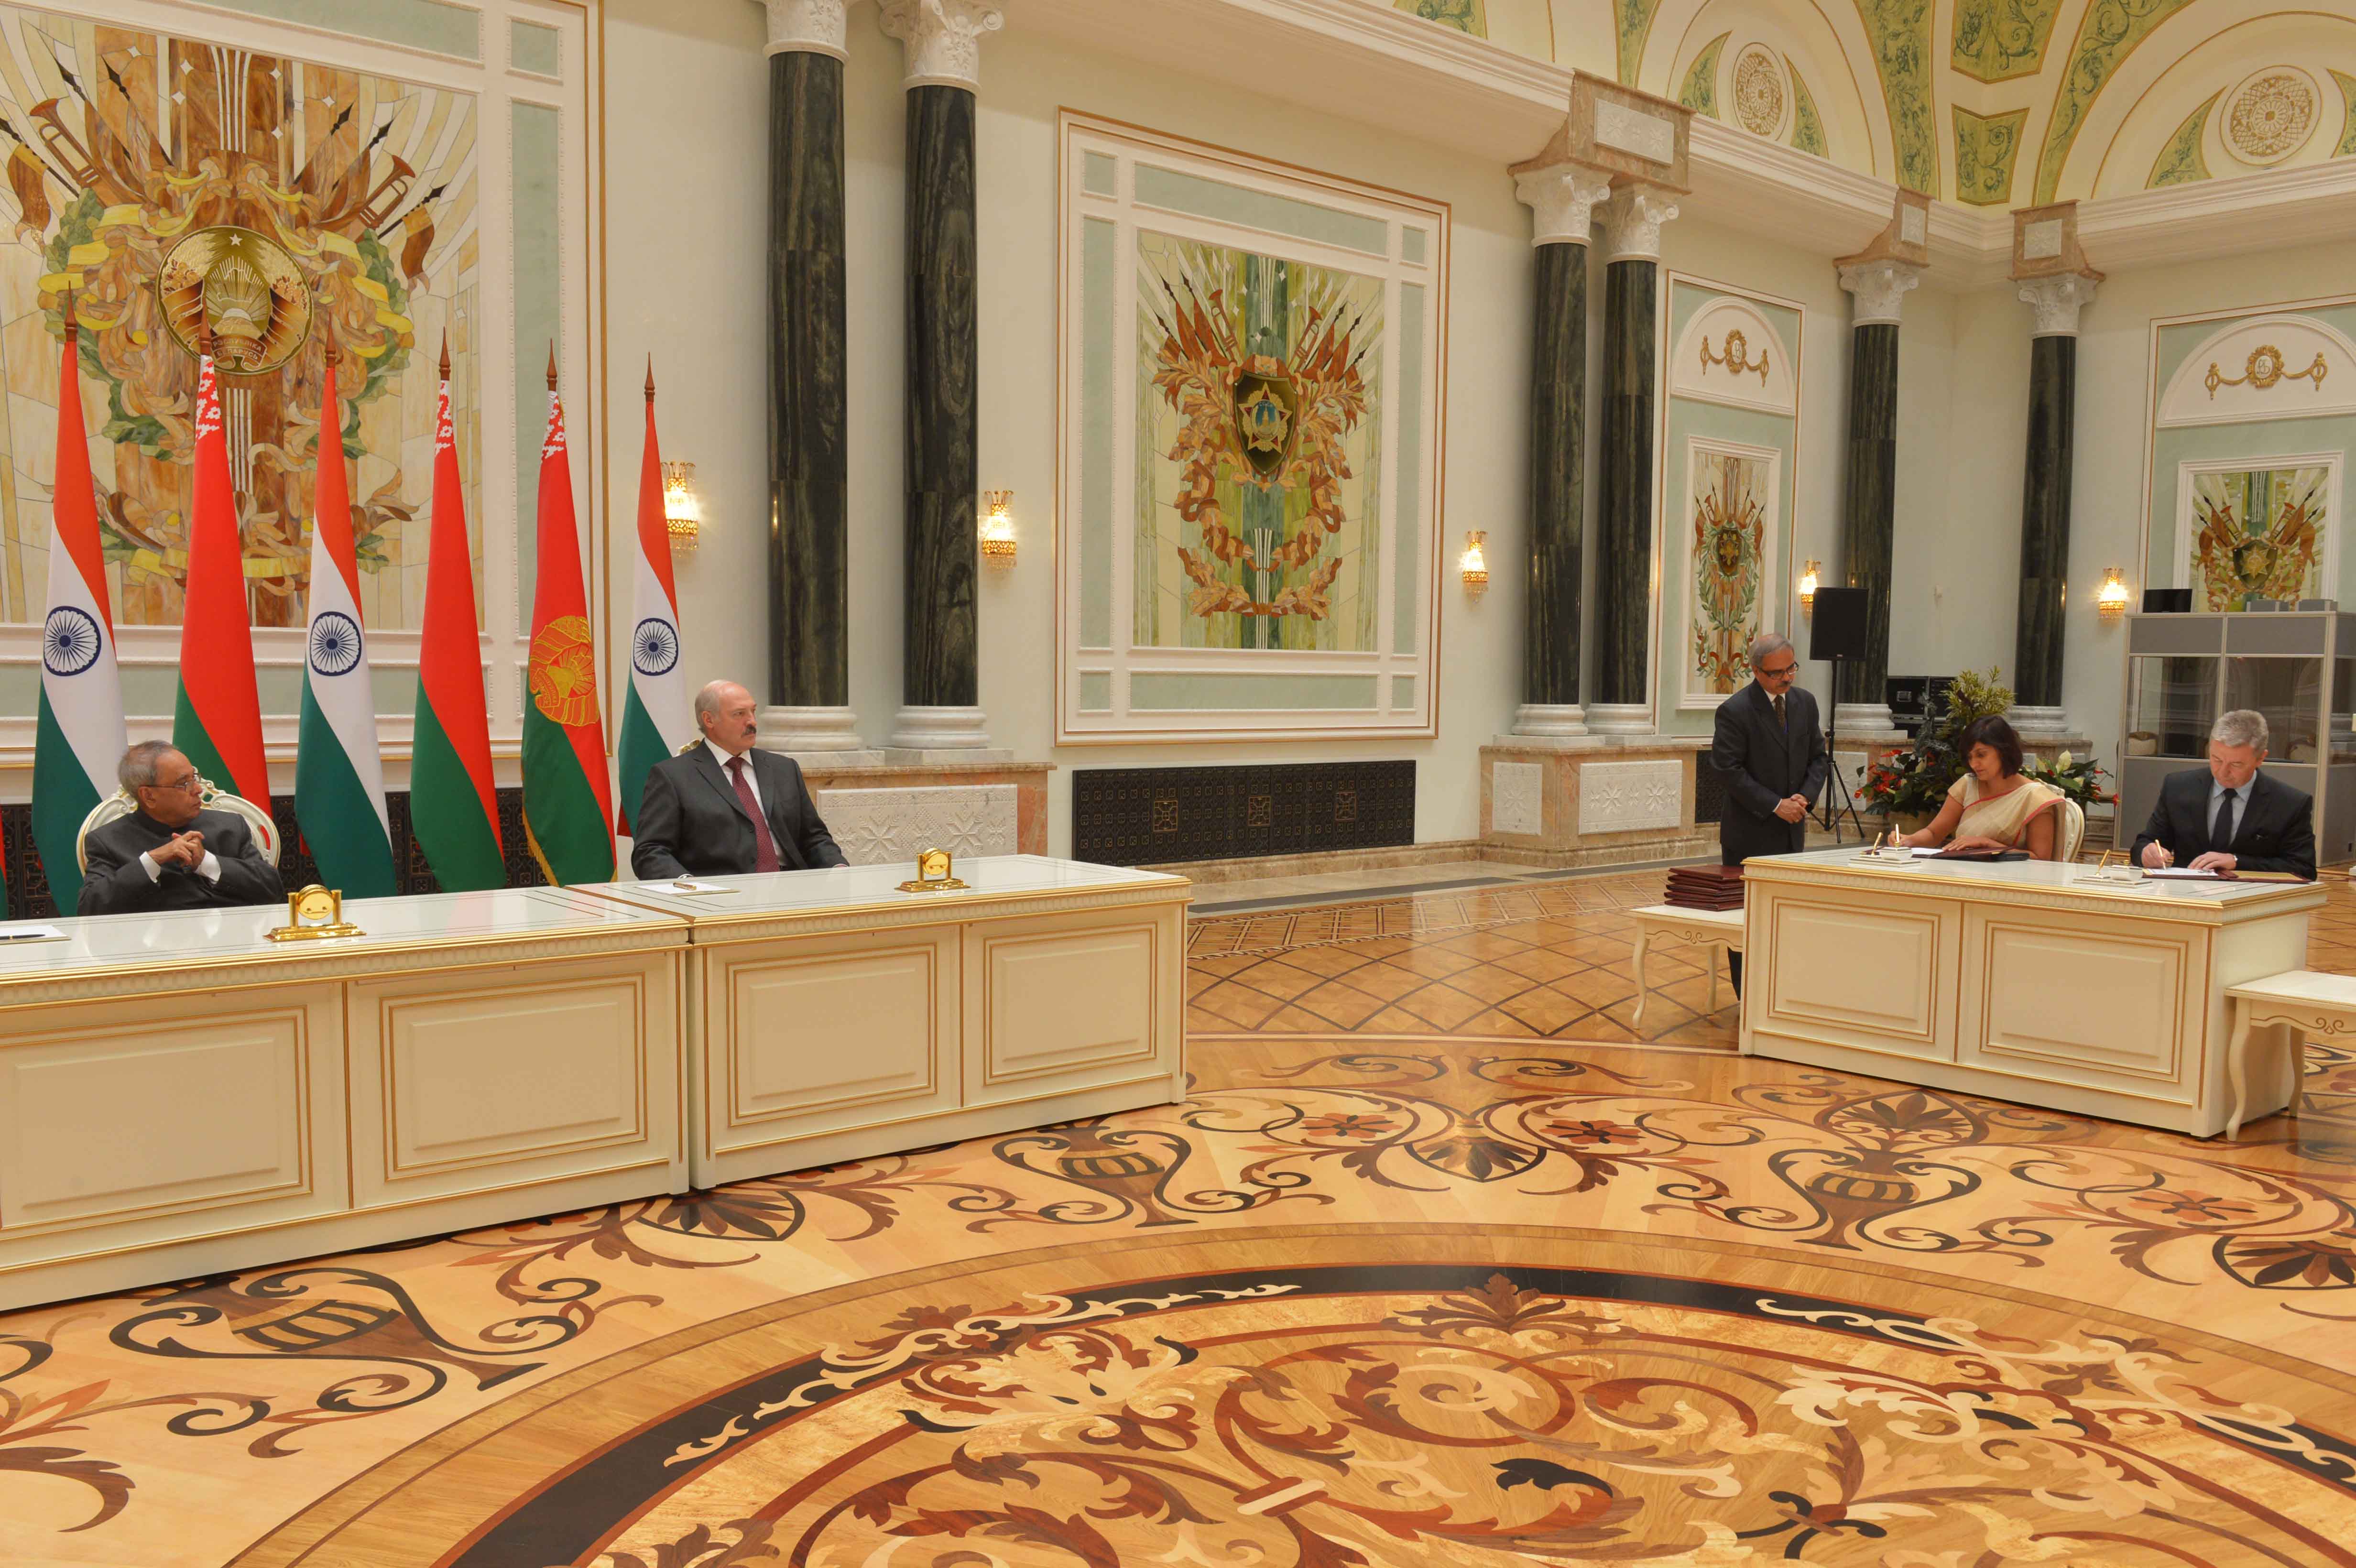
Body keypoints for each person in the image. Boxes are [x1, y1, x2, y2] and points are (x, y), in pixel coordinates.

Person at [629, 679, 847, 879]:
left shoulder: (784, 769)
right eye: (739, 714)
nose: (752, 722)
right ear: (709, 719)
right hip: (718, 896)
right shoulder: (673, 776)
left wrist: (839, 869)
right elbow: (650, 851)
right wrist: (688, 888)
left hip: (792, 887)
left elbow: (814, 838)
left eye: (753, 712)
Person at [1711, 632, 1828, 992]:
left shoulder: (1805, 703)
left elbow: (1818, 758)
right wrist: (1777, 805)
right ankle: (1748, 998)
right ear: (1757, 671)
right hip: (1750, 834)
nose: (1788, 678)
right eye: (1778, 673)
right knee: (1748, 922)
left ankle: (1783, 992)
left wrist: (1803, 799)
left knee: (1787, 917)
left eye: (1792, 668)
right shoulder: (1735, 711)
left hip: (1792, 831)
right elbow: (1728, 771)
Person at [77, 740, 285, 916]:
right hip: (150, 956)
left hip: (231, 948)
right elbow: (90, 909)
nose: (198, 790)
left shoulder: (229, 827)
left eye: (193, 778)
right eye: (183, 784)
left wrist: (208, 863)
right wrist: (152, 861)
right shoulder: (108, 840)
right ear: (149, 796)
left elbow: (272, 889)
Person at [2130, 708, 2315, 880]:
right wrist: (2146, 853)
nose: (2222, 772)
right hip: (2184, 897)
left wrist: (2237, 861)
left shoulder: (2290, 803)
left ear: (2261, 758)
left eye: (2236, 764)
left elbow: (2303, 869)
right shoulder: (2178, 787)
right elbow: (2145, 844)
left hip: (2251, 902)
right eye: (2216, 759)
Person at [1886, 715, 2064, 860]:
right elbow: (1933, 834)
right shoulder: (1967, 784)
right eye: (1970, 757)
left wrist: (1987, 845)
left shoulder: (2036, 798)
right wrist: (1908, 841)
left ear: (2004, 751)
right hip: (1961, 876)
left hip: (2011, 887)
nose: (1974, 764)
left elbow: (2041, 860)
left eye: (1981, 755)